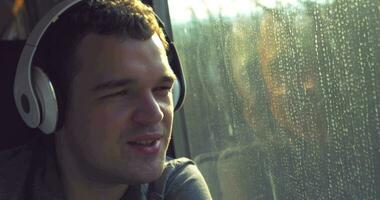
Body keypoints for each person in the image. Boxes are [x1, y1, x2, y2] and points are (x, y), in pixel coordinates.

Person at [0, 0, 212, 199]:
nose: (154, 113)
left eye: (162, 89)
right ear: (50, 104)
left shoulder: (176, 187)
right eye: (120, 93)